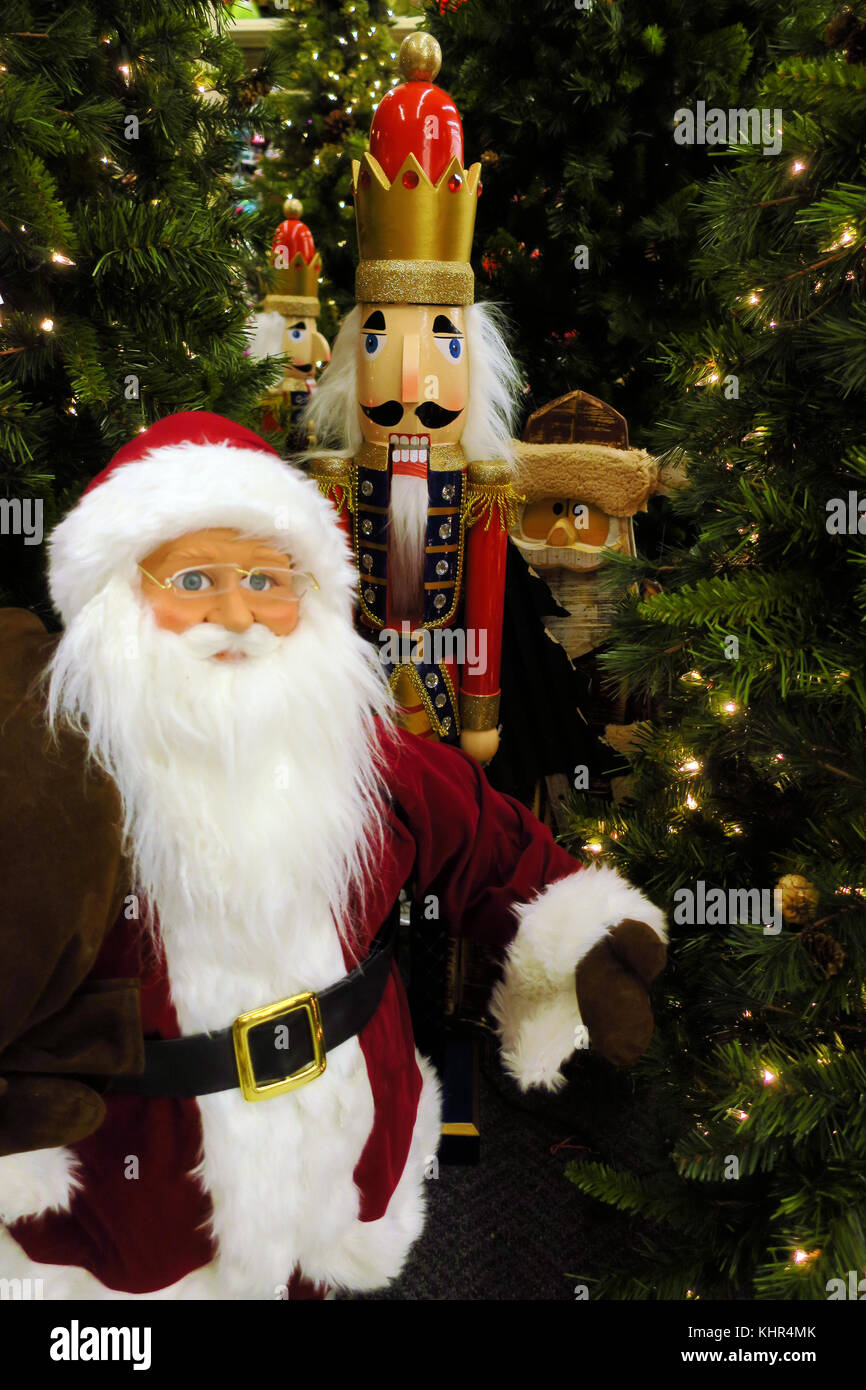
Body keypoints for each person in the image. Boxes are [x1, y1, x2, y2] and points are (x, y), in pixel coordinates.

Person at [0, 411, 666, 1300]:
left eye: (269, 581)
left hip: (344, 1134)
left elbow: (488, 841)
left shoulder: (360, 752)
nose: (237, 615)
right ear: (120, 594)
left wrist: (582, 939)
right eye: (195, 580)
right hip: (138, 1182)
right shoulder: (57, 765)